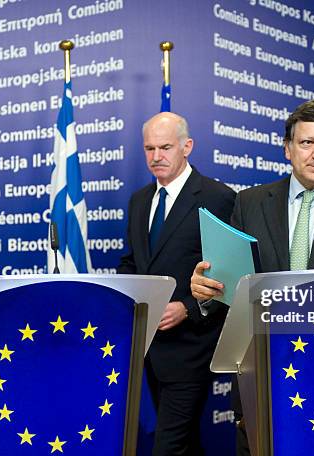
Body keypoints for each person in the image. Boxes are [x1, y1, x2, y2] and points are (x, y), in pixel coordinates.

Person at [190, 98, 314, 454]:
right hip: (261, 377)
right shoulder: (250, 203)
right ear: (287, 149)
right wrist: (208, 294)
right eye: (307, 143)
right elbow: (235, 291)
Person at [118, 112, 235, 455]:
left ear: (187, 147)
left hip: (193, 347)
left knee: (168, 446)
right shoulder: (139, 200)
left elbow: (230, 274)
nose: (156, 157)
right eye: (149, 148)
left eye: (165, 147)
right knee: (184, 444)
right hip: (150, 348)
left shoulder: (217, 197)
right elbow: (133, 261)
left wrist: (187, 307)